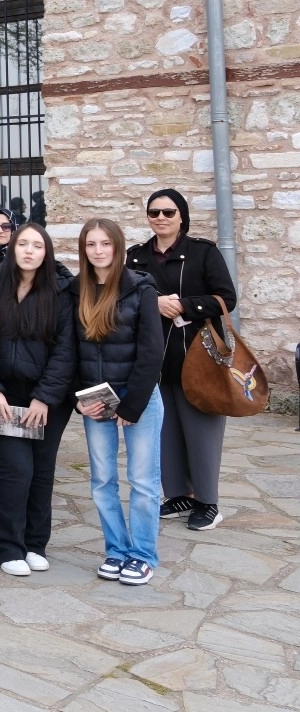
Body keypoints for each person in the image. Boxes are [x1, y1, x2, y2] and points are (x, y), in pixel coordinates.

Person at [124, 189, 236, 533]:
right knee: (165, 431)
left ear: (182, 216)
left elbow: (226, 298)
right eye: (154, 212)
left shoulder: (203, 252)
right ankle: (178, 495)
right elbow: (123, 296)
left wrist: (184, 306)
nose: (161, 218)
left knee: (202, 432)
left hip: (198, 355)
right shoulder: (136, 256)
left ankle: (207, 502)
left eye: (168, 212)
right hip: (154, 356)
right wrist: (154, 303)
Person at [0, 223, 76, 576]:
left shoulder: (61, 293)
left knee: (42, 472)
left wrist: (44, 398)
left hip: (47, 401)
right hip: (5, 398)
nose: (29, 251)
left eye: (37, 245)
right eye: (23, 244)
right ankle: (6, 547)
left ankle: (34, 544)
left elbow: (66, 350)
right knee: (16, 471)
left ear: (47, 253)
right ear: (13, 249)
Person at [74, 217, 165, 586]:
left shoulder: (141, 288)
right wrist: (77, 400)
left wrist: (133, 405)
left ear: (118, 246)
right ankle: (117, 550)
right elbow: (66, 350)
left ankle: (142, 555)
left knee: (142, 481)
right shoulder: (75, 290)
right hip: (96, 397)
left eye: (105, 243)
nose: (98, 251)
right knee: (102, 480)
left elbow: (152, 351)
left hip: (137, 395)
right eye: (91, 244)